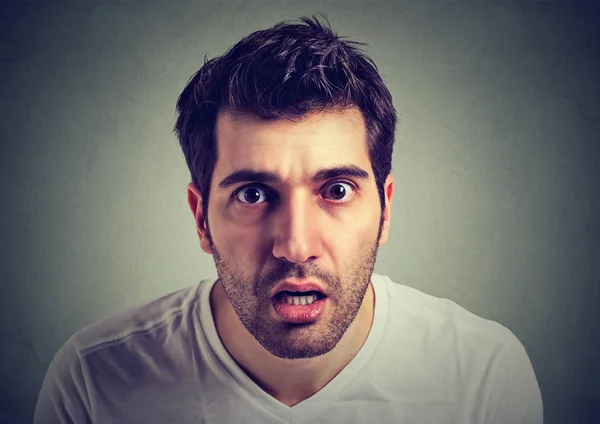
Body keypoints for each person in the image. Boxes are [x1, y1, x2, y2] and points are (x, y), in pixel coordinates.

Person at [34, 16, 543, 423]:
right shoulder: (93, 382)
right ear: (201, 218)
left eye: (337, 190)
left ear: (385, 210)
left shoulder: (483, 378)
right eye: (253, 194)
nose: (296, 246)